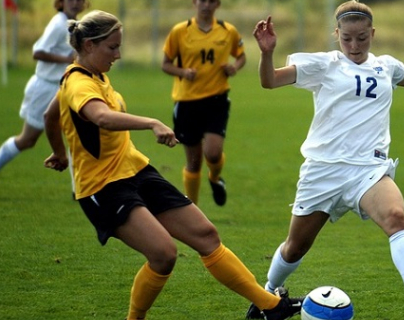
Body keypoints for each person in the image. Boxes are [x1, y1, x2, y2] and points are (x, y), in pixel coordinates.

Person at [43, 10, 302, 320]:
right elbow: (100, 117)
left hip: (135, 170)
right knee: (163, 255)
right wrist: (151, 122)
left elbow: (50, 115)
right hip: (103, 187)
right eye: (112, 47)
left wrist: (59, 152)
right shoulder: (77, 82)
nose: (119, 54)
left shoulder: (93, 75)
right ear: (88, 45)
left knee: (206, 235)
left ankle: (270, 307)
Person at [248, 1, 404, 320]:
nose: (354, 46)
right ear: (337, 34)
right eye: (347, 39)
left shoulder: (387, 66)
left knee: (396, 216)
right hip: (323, 171)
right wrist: (266, 52)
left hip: (368, 171)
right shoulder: (324, 64)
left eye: (361, 38)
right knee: (295, 247)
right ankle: (264, 296)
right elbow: (269, 80)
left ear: (372, 33)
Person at [0, 0, 88, 198]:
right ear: (61, 3)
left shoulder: (76, 25)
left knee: (76, 136)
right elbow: (37, 52)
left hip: (65, 89)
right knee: (28, 139)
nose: (75, 3)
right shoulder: (58, 24)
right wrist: (67, 60)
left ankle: (78, 191)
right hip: (44, 88)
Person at [161, 0, 246, 206]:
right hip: (187, 102)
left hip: (216, 100)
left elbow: (241, 57)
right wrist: (183, 72)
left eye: (211, 1)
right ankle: (193, 209)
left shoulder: (227, 31)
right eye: (202, 1)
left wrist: (234, 67)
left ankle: (215, 178)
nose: (206, 5)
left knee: (213, 153)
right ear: (194, 3)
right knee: (194, 161)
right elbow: (165, 64)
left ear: (217, 4)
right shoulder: (180, 31)